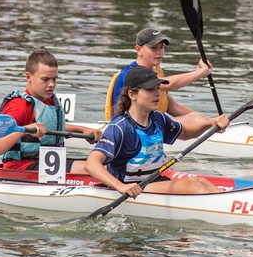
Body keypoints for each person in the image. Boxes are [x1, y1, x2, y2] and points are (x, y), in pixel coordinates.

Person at [87, 66, 230, 197]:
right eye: (150, 89)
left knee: (201, 181)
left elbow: (185, 133)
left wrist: (210, 123)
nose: (157, 94)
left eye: (157, 88)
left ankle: (227, 202)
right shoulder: (119, 127)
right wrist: (121, 187)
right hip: (134, 188)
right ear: (132, 94)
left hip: (154, 182)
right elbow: (91, 163)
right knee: (194, 184)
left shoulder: (158, 118)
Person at [0, 49, 103, 172]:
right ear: (28, 77)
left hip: (46, 163)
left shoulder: (49, 100)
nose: (51, 84)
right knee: (97, 169)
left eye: (54, 79)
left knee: (103, 163)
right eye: (45, 79)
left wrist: (82, 130)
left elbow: (50, 126)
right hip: (21, 168)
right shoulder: (19, 106)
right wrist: (25, 130)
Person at [105, 28, 221, 141]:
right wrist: (201, 72)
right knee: (195, 118)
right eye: (154, 48)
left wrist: (210, 120)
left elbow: (174, 107)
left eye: (161, 48)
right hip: (125, 131)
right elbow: (170, 84)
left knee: (196, 116)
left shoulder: (154, 74)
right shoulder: (130, 73)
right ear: (138, 49)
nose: (159, 52)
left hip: (148, 125)